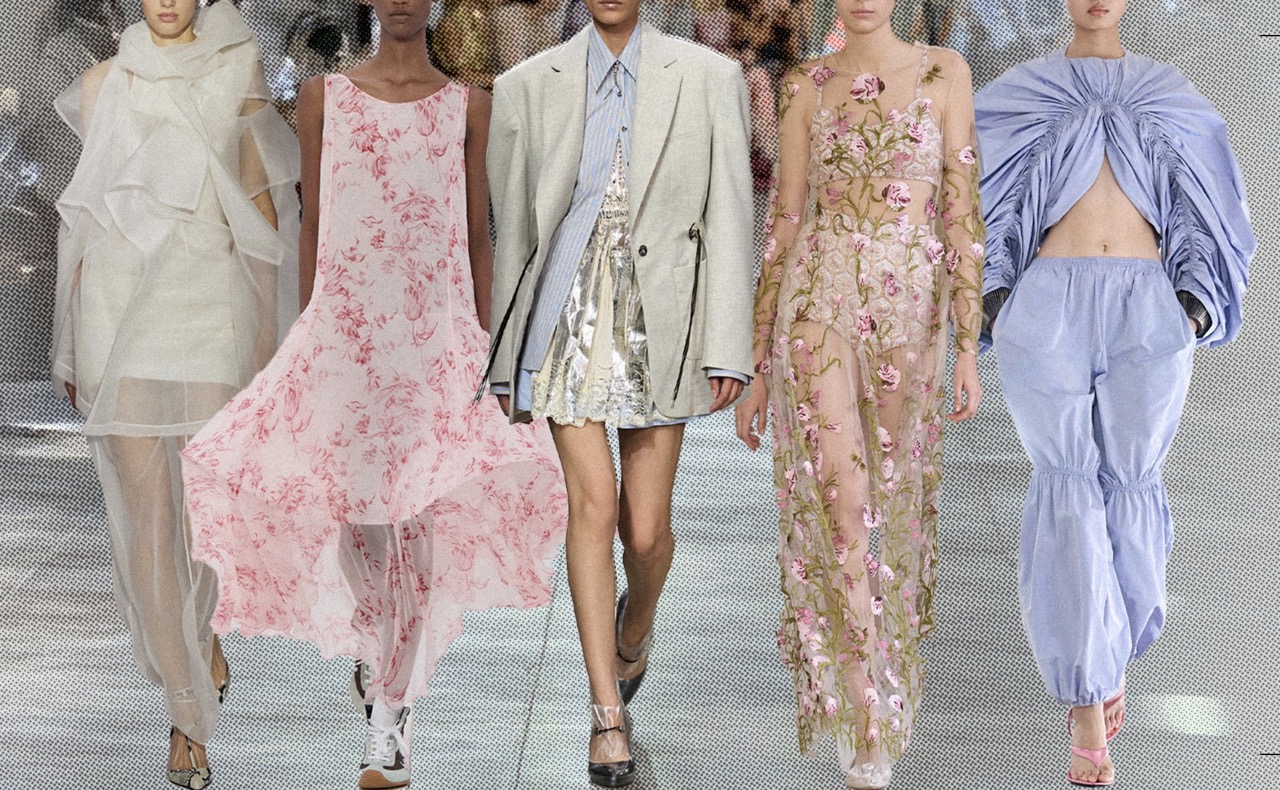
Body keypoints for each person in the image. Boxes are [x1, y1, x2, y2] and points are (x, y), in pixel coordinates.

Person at [180, 1, 567, 788]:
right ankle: (377, 641)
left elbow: (477, 233)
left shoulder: (468, 107)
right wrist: (310, 333)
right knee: (357, 524)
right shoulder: (323, 98)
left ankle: (390, 724)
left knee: (414, 526)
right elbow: (313, 224)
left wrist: (483, 350)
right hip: (348, 336)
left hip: (435, 340)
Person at [975, 0, 1254, 785]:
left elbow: (1213, 202)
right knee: (1067, 483)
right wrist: (998, 301)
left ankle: (1108, 652)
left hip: (1147, 305)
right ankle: (1087, 706)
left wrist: (1190, 308)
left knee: (1132, 485)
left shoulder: (1168, 92)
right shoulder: (1024, 90)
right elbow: (972, 198)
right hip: (1047, 304)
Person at [485, 0, 755, 784]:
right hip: (562, 318)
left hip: (660, 319)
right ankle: (607, 714)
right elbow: (516, 236)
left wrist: (728, 343)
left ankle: (635, 628)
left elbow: (730, 215)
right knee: (592, 506)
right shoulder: (526, 85)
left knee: (646, 532)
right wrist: (505, 356)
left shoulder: (709, 77)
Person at [734, 0, 983, 787]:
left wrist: (968, 346)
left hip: (910, 309)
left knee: (888, 500)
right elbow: (785, 220)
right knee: (841, 507)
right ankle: (863, 706)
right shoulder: (805, 85)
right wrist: (757, 361)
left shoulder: (945, 74)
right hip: (819, 303)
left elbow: (961, 211)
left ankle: (879, 672)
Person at [50, 1, 298, 786]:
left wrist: (269, 340)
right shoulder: (103, 83)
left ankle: (200, 639)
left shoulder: (236, 69)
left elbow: (260, 202)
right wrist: (69, 340)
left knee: (204, 521)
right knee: (148, 523)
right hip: (118, 312)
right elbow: (84, 221)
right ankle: (186, 714)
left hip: (210, 311)